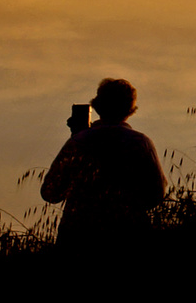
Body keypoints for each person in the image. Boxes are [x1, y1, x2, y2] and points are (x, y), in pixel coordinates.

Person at [41, 78, 166, 248]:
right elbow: (156, 194)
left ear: (97, 106)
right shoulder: (140, 143)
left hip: (78, 236)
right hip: (129, 235)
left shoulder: (78, 142)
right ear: (130, 109)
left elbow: (51, 192)